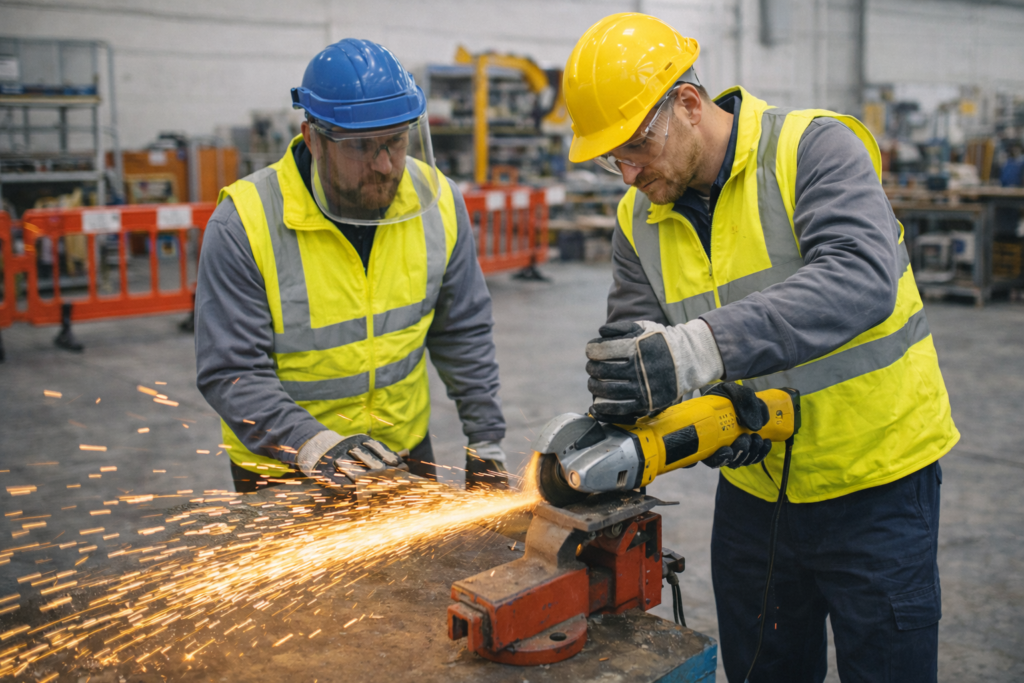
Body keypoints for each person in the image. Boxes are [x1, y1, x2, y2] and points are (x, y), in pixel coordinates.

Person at [564, 13, 958, 683]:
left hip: (878, 484)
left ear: (689, 104)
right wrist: (646, 390)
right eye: (612, 157)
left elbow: (861, 278)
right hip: (755, 495)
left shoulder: (812, 150)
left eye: (635, 145)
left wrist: (698, 349)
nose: (627, 172)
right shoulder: (638, 221)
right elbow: (637, 341)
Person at [194, 39, 508, 495]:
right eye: (362, 147)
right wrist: (310, 443)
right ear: (313, 139)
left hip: (400, 454)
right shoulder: (244, 223)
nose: (385, 166)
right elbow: (231, 370)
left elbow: (463, 331)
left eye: (396, 142)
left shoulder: (437, 202)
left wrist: (487, 444)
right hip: (287, 466)